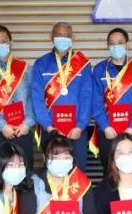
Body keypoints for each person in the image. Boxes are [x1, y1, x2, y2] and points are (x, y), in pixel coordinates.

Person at [31, 22, 93, 171]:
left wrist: (80, 126)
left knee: (77, 173)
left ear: (73, 37)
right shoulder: (41, 64)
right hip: (50, 130)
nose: (62, 38)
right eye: (59, 35)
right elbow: (37, 98)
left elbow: (87, 97)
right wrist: (49, 126)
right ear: (51, 36)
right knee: (51, 172)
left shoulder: (83, 64)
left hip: (76, 132)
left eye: (66, 35)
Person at [0, 25, 36, 172]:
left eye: (3, 41)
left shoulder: (25, 68)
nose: (0, 45)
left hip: (23, 129)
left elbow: (32, 97)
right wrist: (2, 126)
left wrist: (27, 123)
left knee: (25, 173)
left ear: (10, 42)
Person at [91, 27, 132, 165]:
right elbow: (96, 102)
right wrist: (105, 126)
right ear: (107, 46)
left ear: (127, 45)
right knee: (109, 171)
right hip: (107, 132)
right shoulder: (100, 70)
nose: (116, 47)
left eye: (120, 43)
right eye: (112, 44)